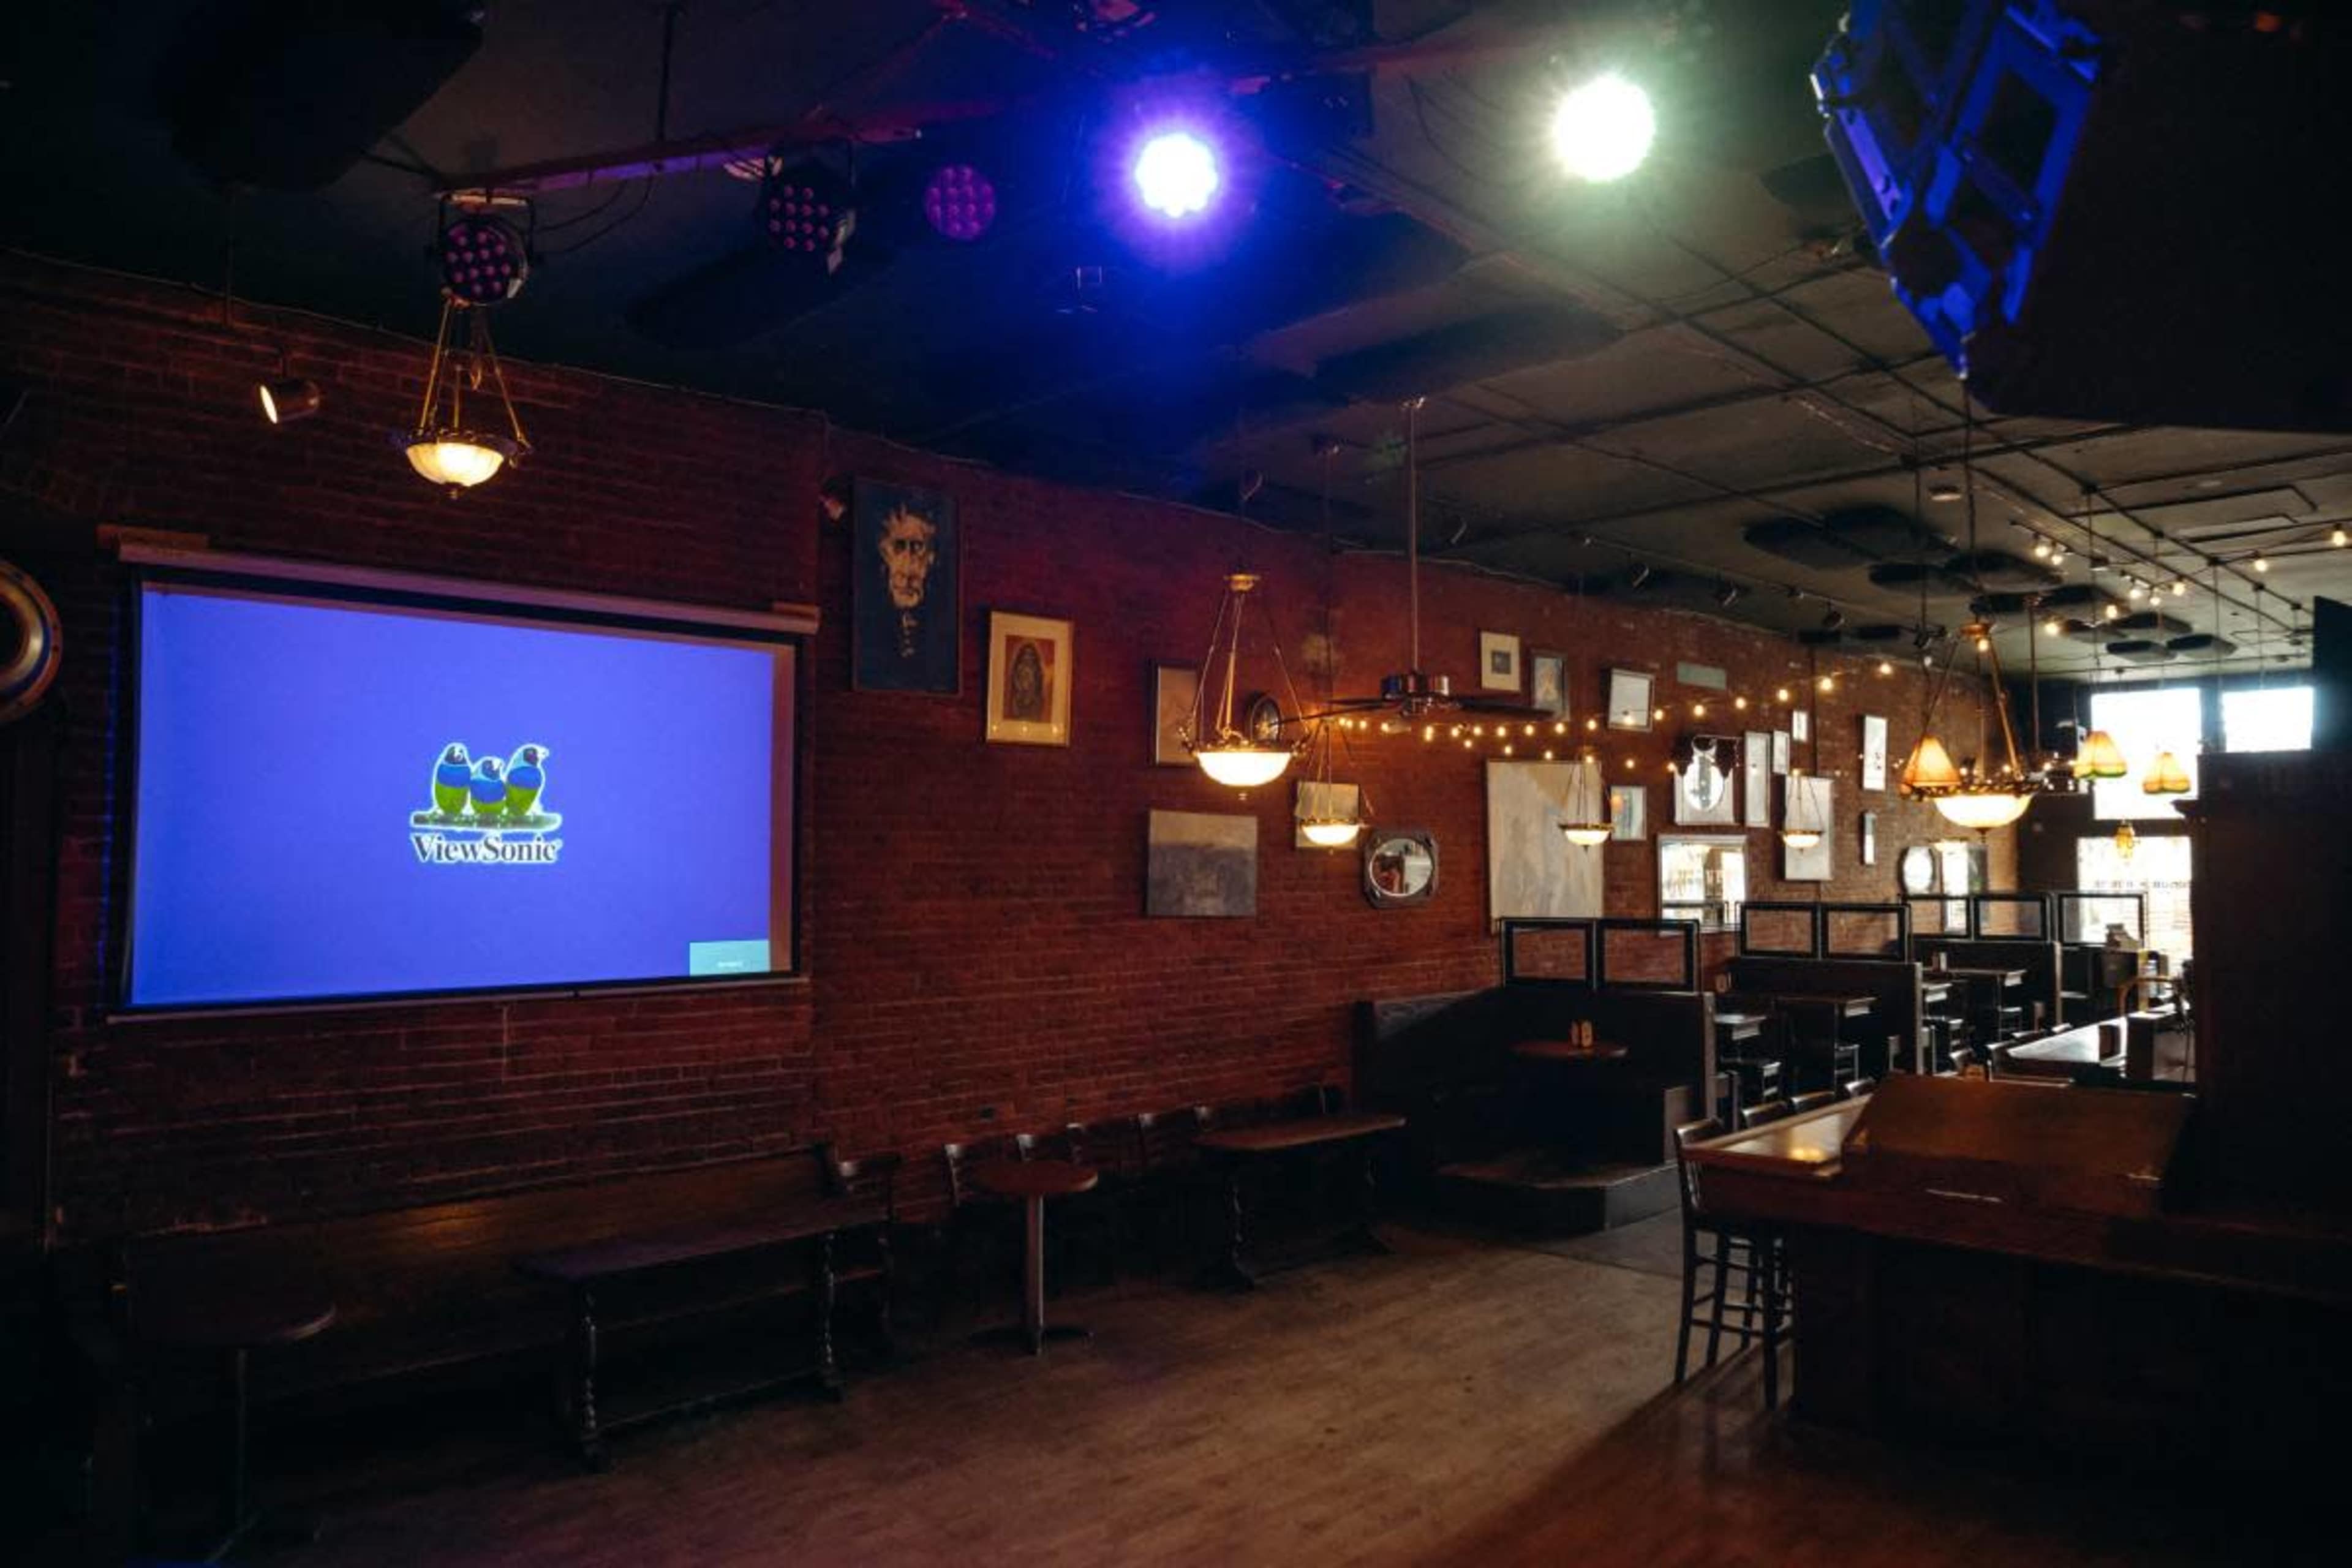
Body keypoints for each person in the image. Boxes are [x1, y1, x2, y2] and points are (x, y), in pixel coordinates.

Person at [1007, 639, 1047, 720]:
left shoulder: (1037, 671)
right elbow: (1016, 683)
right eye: (1026, 655)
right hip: (1021, 699)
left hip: (1033, 700)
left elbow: (1037, 686)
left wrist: (1031, 693)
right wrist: (1022, 691)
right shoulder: (1018, 669)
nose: (1028, 657)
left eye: (1031, 655)